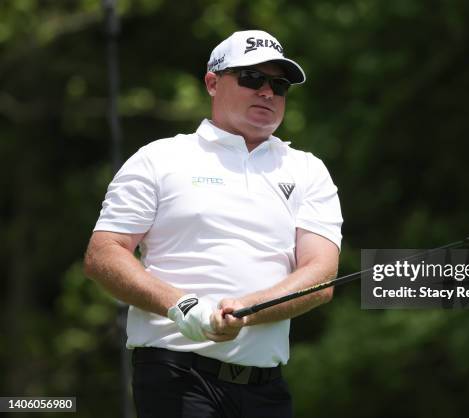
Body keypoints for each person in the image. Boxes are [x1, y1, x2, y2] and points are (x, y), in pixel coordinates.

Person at [83, 29, 343, 418]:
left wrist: (248, 310)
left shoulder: (308, 170)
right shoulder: (160, 158)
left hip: (266, 388)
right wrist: (181, 307)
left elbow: (321, 275)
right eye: (252, 78)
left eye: (279, 84)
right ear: (212, 82)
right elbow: (103, 254)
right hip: (176, 376)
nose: (267, 92)